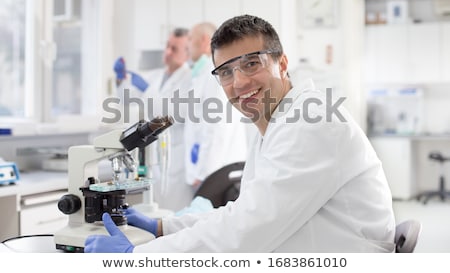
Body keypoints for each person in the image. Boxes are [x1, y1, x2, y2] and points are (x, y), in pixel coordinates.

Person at [85, 14, 396, 252]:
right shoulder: (279, 122)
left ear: (282, 63)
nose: (240, 82)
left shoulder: (311, 122)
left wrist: (138, 257)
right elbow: (246, 211)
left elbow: (247, 231)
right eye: (226, 72)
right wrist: (164, 226)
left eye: (251, 64)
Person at [114, 27, 194, 211]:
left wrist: (147, 92)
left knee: (175, 209)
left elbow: (173, 114)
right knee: (156, 206)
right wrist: (121, 79)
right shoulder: (157, 76)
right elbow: (126, 98)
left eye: (174, 49)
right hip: (156, 151)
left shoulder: (189, 79)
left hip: (176, 155)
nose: (167, 52)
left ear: (187, 53)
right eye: (167, 46)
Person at [183, 22, 248, 190]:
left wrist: (204, 174)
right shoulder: (201, 75)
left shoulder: (215, 74)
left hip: (216, 174)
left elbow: (216, 128)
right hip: (211, 170)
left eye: (190, 39)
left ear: (204, 41)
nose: (186, 45)